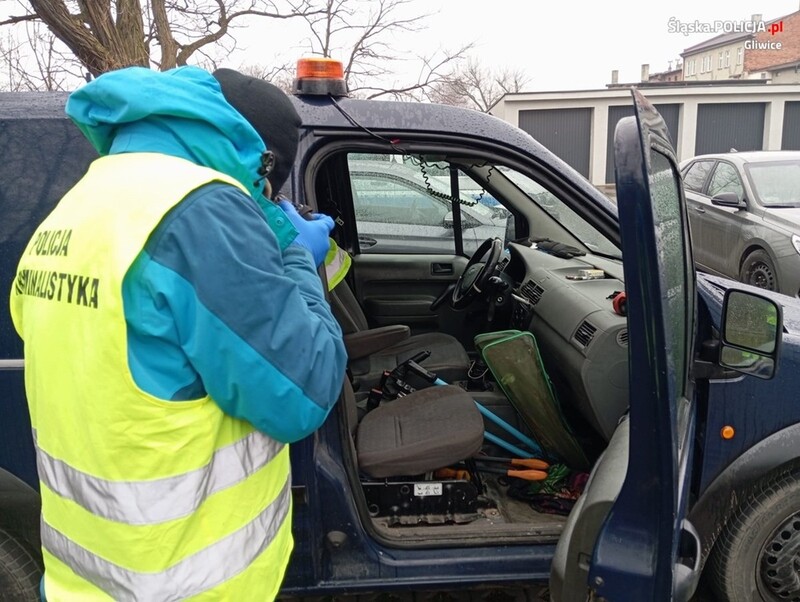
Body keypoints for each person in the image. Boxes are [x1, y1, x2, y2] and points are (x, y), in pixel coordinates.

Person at [9, 66, 347, 601]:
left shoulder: (80, 204)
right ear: (262, 163)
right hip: (190, 584)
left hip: (89, 577)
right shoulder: (201, 211)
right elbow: (304, 392)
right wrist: (295, 257)